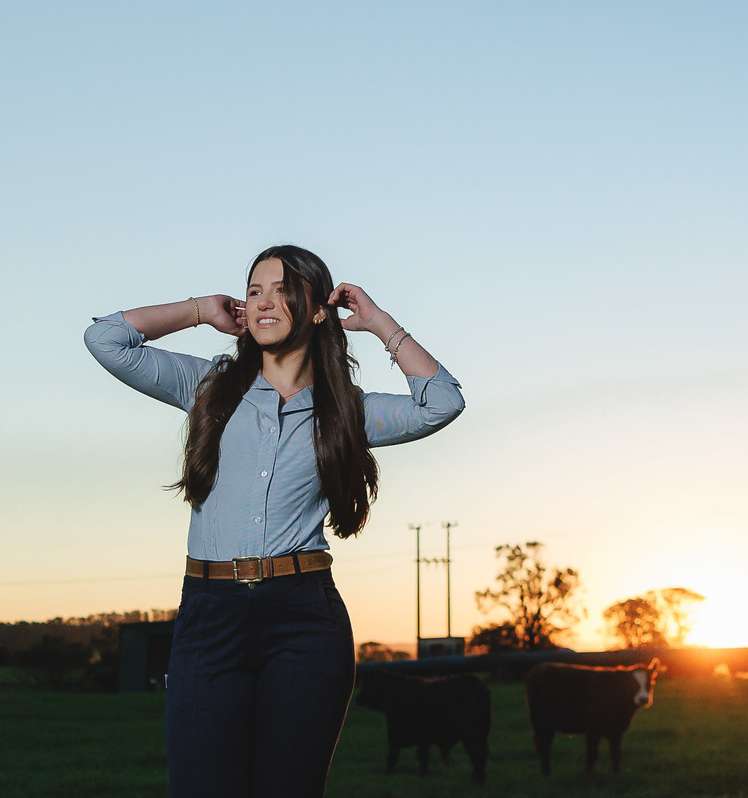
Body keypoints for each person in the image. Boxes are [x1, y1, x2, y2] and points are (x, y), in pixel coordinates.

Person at [84, 244, 464, 797]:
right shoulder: (209, 386)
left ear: (318, 310)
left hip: (304, 620)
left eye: (283, 290)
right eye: (255, 290)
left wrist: (380, 323)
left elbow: (441, 402)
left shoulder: (346, 411)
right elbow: (105, 339)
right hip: (209, 616)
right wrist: (199, 310)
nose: (264, 301)